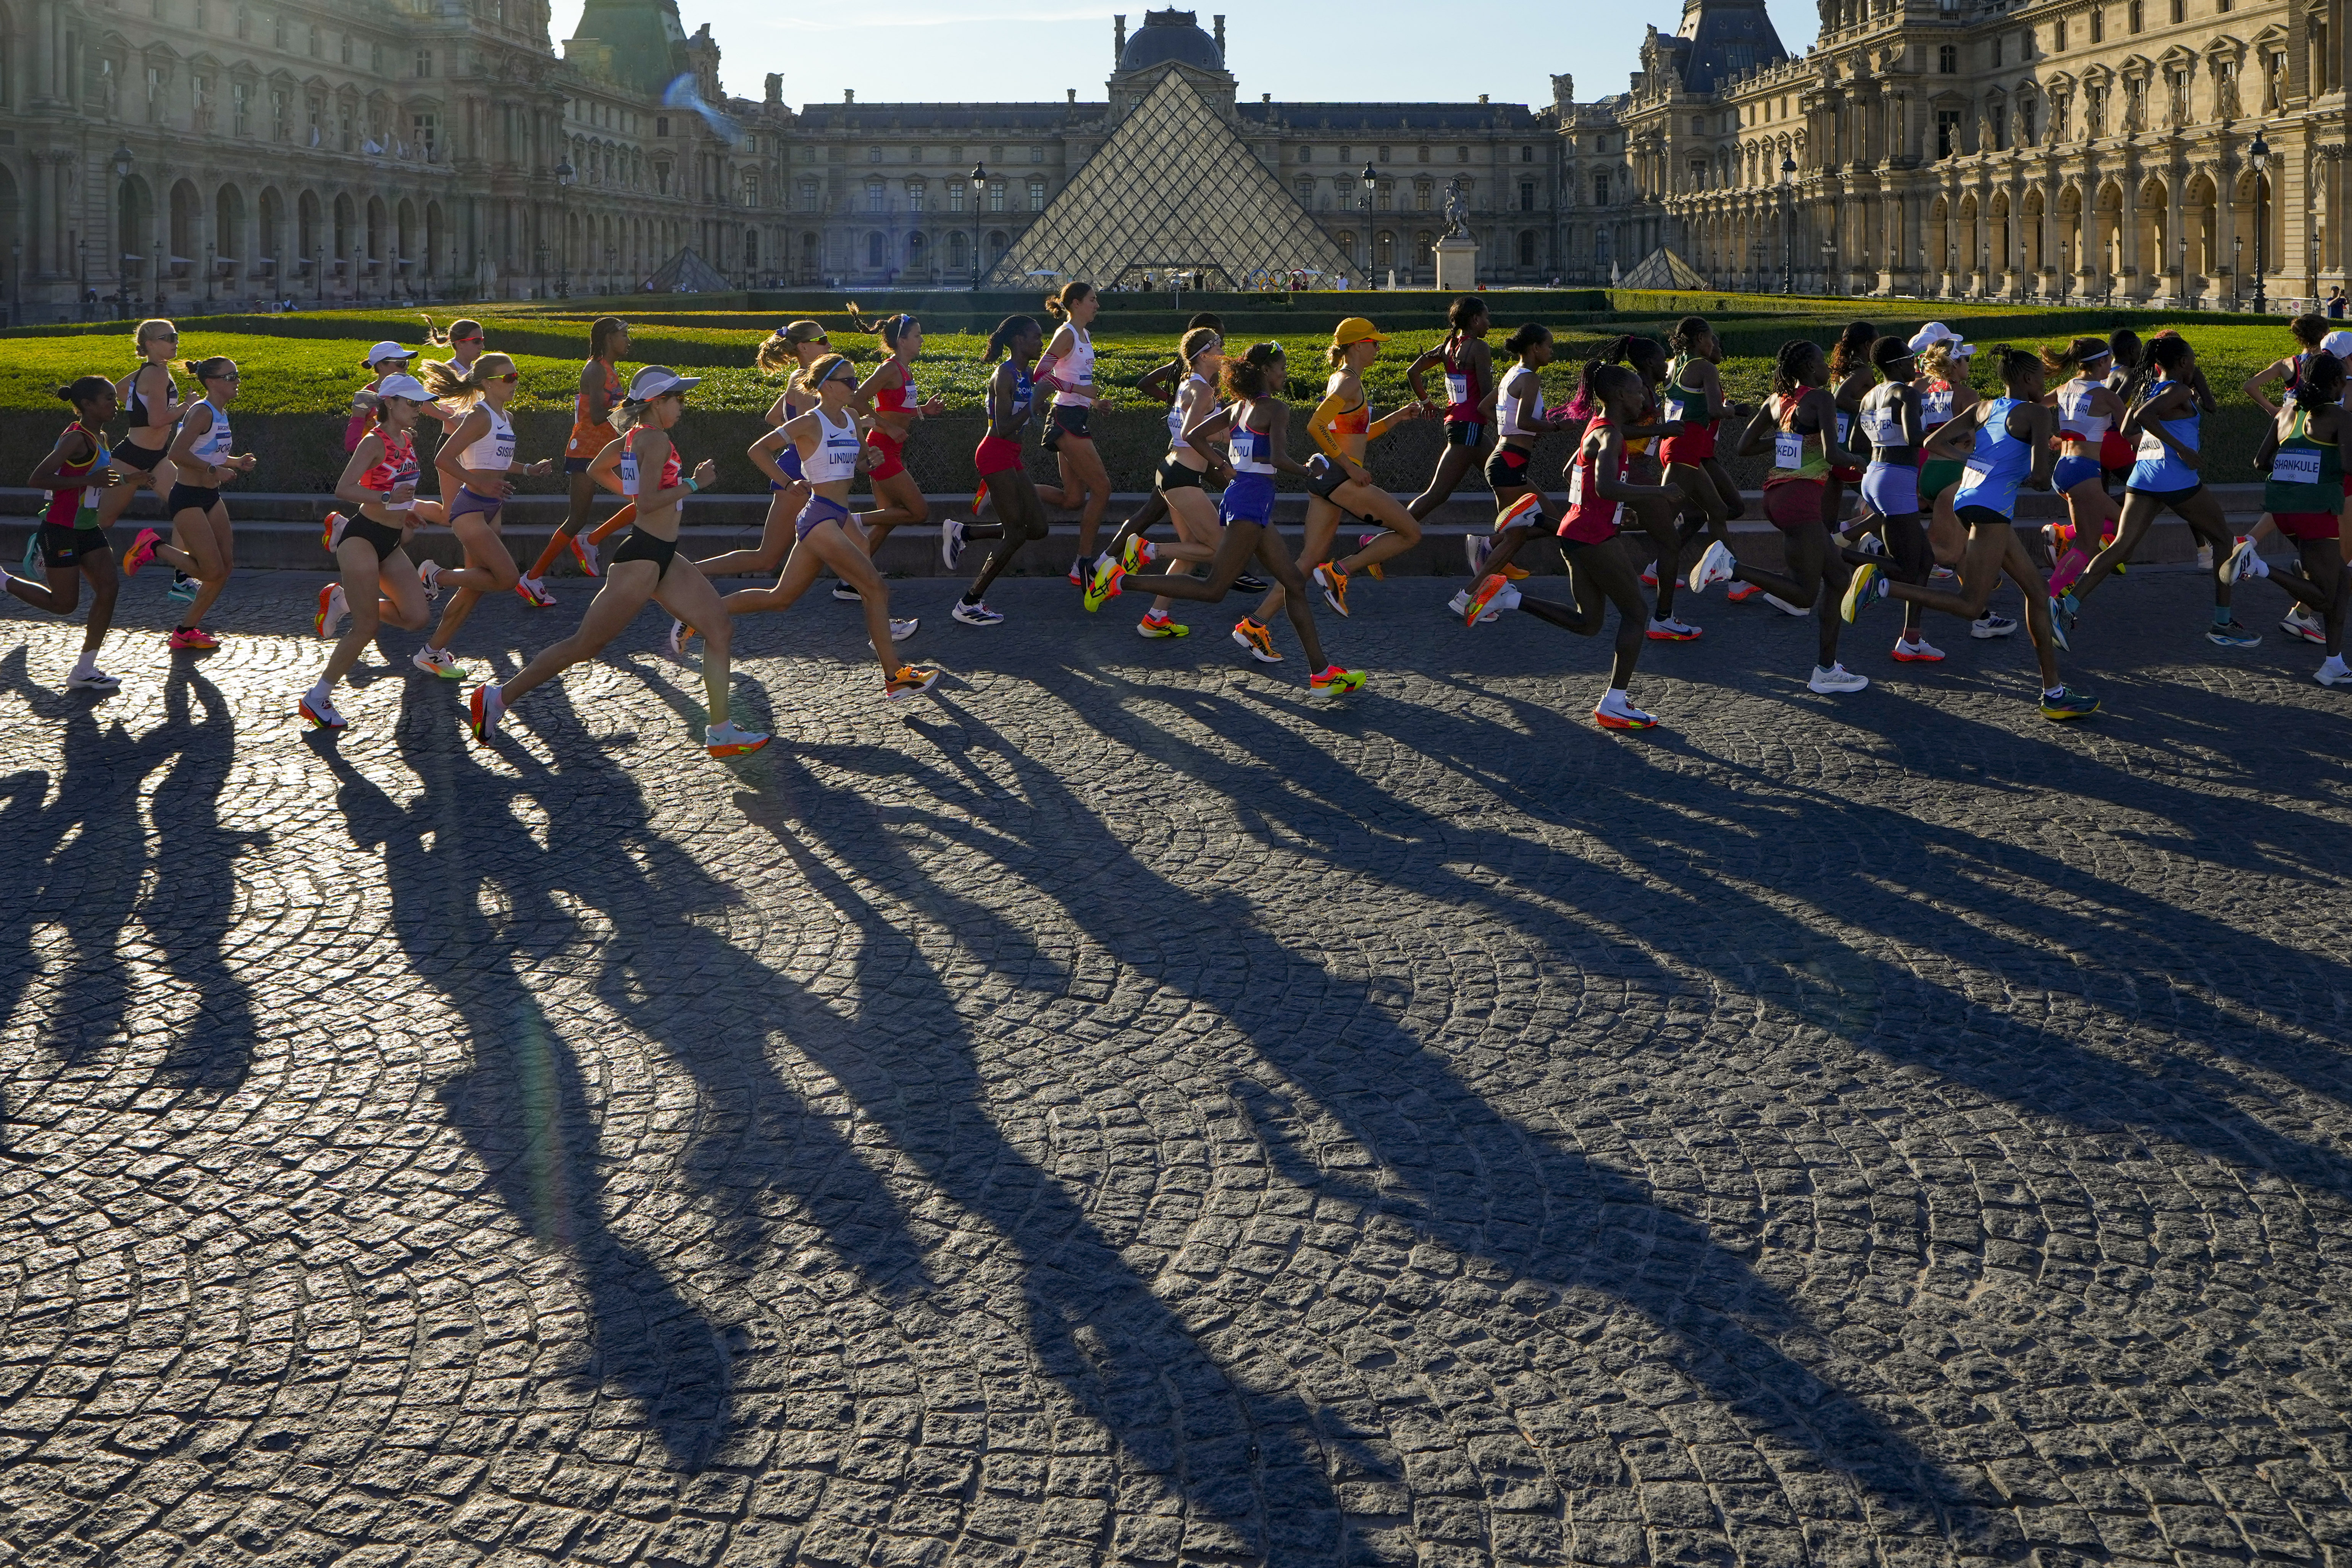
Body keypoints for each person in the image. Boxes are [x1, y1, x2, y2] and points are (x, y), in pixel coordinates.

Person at [468, 367, 782, 757]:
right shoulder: (657, 441)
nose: (683, 407)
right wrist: (696, 484)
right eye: (677, 399)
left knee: (719, 628)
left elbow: (600, 469)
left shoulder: (635, 436)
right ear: (656, 403)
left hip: (663, 555)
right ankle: (497, 698)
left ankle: (720, 732)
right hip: (643, 557)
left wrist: (633, 491)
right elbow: (647, 503)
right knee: (583, 645)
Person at [1087, 342, 1366, 696]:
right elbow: (1279, 459)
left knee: (1294, 584)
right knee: (1214, 589)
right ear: (1265, 370)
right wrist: (1308, 468)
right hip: (1252, 501)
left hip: (1244, 497)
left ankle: (1322, 674)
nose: (1285, 373)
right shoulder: (1276, 409)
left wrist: (1221, 464)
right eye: (1281, 367)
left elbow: (1192, 435)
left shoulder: (1238, 408)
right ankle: (1120, 582)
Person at [1844, 344, 2099, 721]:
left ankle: (2054, 693)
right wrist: (2028, 476)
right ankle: (1881, 586)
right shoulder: (2035, 414)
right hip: (1991, 509)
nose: (2044, 384)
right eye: (2042, 378)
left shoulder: (1985, 407)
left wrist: (1976, 462)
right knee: (1968, 604)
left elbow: (1932, 443)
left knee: (2037, 591)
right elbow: (2042, 477)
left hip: (1967, 499)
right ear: (2028, 379)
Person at [671, 355, 938, 701]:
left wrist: (868, 459)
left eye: (856, 381)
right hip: (820, 517)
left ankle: (695, 616)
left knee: (780, 599)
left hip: (841, 516)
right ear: (827, 385)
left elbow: (856, 461)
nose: (856, 388)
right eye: (850, 382)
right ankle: (894, 676)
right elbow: (758, 450)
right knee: (876, 589)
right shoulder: (810, 422)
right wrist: (787, 481)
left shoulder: (853, 417)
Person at [1464, 360, 1677, 730]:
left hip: (1577, 532)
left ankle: (1507, 598)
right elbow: (1606, 486)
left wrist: (1612, 511)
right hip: (1593, 537)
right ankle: (1614, 703)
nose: (1643, 395)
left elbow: (1572, 475)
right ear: (1618, 395)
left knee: (1587, 623)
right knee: (1635, 614)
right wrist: (1660, 492)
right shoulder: (1609, 435)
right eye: (1636, 390)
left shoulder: (1597, 429)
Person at [1681, 340, 1872, 694]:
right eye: (1819, 363)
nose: (1825, 369)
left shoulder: (1776, 401)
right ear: (1806, 367)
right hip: (1800, 499)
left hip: (1778, 495)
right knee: (1803, 595)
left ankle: (1827, 670)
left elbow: (1743, 447)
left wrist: (1785, 439)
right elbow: (1832, 454)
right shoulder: (1820, 398)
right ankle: (1731, 567)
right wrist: (1860, 461)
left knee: (1838, 577)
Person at [2059, 333, 2252, 646]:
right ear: (2181, 362)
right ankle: (2222, 623)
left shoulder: (2152, 388)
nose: (2194, 364)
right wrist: (2180, 449)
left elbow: (2128, 428)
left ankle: (2067, 606)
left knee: (2121, 546)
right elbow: (2143, 418)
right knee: (2222, 539)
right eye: (2191, 360)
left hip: (2143, 477)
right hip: (2175, 477)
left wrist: (2195, 374)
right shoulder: (2175, 390)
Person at [661, 321, 834, 656]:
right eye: (822, 340)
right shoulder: (805, 381)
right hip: (799, 475)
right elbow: (808, 424)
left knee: (768, 559)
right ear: (803, 348)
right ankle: (686, 579)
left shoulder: (801, 380)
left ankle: (687, 580)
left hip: (807, 472)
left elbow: (774, 417)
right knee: (772, 557)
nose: (828, 344)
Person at [1239, 316, 1426, 623]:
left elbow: (1353, 434)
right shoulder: (1348, 381)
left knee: (1306, 561)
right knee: (1411, 533)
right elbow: (1316, 425)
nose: (1378, 348)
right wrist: (1350, 469)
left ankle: (1255, 625)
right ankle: (1340, 570)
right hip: (1340, 478)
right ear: (1356, 346)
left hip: (1328, 478)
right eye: (1373, 342)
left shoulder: (1343, 378)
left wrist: (1396, 418)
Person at [301, 373, 438, 730]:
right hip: (362, 538)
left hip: (390, 541)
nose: (418, 409)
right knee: (366, 627)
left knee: (417, 618)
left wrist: (404, 512)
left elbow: (399, 487)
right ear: (389, 403)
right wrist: (388, 500)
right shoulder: (373, 442)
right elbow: (344, 488)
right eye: (412, 403)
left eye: (420, 402)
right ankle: (317, 698)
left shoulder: (407, 439)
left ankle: (343, 601)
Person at [408, 353, 555, 680]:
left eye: (516, 375)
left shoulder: (507, 417)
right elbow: (443, 459)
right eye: (508, 378)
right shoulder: (478, 416)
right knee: (505, 579)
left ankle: (432, 652)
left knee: (473, 588)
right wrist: (480, 483)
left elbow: (499, 463)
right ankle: (436, 575)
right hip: (471, 507)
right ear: (488, 383)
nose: (515, 382)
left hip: (491, 509)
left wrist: (529, 470)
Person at [121, 355, 256, 652]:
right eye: (230, 377)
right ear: (211, 382)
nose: (237, 382)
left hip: (210, 497)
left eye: (237, 375)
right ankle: (153, 546)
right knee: (210, 572)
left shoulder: (219, 412)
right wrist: (213, 471)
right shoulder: (202, 412)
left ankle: (185, 631)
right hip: (188, 497)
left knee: (225, 568)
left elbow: (209, 454)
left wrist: (235, 462)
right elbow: (177, 453)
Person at [1101, 324, 1228, 636]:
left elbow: (1190, 431)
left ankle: (1155, 617)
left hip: (1171, 471)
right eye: (1218, 348)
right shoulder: (1203, 390)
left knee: (1190, 550)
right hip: (1183, 477)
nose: (1224, 353)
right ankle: (1148, 551)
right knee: (1221, 551)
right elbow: (1191, 434)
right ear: (1203, 355)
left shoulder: (1189, 384)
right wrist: (1223, 457)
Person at [943, 316, 1067, 626]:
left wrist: (1042, 405)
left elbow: (1027, 413)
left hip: (1011, 455)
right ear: (1018, 341)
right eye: (1036, 337)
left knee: (1037, 528)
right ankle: (970, 602)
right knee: (1014, 535)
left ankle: (965, 532)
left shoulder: (1026, 373)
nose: (1042, 342)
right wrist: (1034, 402)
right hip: (994, 453)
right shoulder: (1005, 375)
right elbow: (1000, 429)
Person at [2239, 348, 2352, 683]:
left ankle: (2333, 663)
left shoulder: (2287, 412)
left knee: (2342, 581)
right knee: (2323, 596)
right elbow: (2348, 467)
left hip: (2284, 509)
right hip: (2316, 511)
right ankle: (2258, 566)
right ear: (2335, 383)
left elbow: (2261, 462)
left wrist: (2299, 462)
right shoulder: (2340, 418)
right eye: (2343, 383)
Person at [7, 377, 127, 689]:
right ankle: (4, 580)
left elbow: (97, 477)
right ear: (87, 404)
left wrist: (130, 478)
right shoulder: (75, 438)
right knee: (64, 605)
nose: (115, 404)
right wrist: (91, 482)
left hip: (87, 527)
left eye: (115, 397)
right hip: (60, 527)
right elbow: (38, 479)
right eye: (108, 398)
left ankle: (84, 670)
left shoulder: (100, 435)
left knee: (109, 588)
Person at [1451, 323, 1571, 622]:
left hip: (1507, 460)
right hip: (1510, 463)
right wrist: (1556, 427)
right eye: (1548, 346)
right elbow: (1525, 420)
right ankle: (1468, 597)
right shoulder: (1529, 378)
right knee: (1518, 536)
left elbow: (1484, 406)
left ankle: (1488, 546)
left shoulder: (1512, 374)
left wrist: (1513, 430)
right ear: (1534, 348)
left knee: (1550, 520)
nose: (1551, 351)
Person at [517, 316, 632, 602]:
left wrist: (633, 409)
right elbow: (596, 416)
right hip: (586, 453)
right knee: (577, 518)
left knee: (641, 502)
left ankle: (590, 542)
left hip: (603, 452)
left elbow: (612, 416)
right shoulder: (595, 370)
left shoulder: (609, 369)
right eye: (624, 335)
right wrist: (632, 406)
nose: (628, 341)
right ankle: (532, 578)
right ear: (609, 338)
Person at [1851, 336, 1941, 662]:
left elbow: (1854, 442)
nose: (1913, 363)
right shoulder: (1907, 393)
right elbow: (1914, 438)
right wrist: (1950, 438)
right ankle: (1837, 555)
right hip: (1897, 479)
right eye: (1909, 358)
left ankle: (1911, 639)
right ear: (1898, 363)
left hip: (1874, 473)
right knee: (1906, 568)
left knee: (1924, 561)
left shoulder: (1868, 396)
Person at [1654, 316, 1756, 604]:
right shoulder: (1704, 366)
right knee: (1663, 522)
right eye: (1710, 337)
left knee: (1716, 511)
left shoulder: (1674, 365)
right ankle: (1662, 606)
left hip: (1673, 445)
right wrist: (1734, 410)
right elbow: (1713, 409)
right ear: (1700, 339)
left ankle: (1732, 579)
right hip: (1686, 449)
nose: (1713, 343)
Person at [844, 307, 948, 578]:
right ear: (902, 341)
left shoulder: (905, 370)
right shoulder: (889, 368)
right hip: (880, 448)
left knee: (888, 519)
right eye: (917, 335)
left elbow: (897, 409)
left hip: (891, 447)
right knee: (918, 512)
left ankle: (852, 580)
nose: (922, 340)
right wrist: (887, 427)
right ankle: (852, 520)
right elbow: (854, 399)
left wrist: (922, 410)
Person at [95, 321, 185, 605]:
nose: (174, 342)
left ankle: (183, 578)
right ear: (149, 344)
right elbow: (158, 419)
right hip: (131, 458)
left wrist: (143, 385)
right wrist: (188, 406)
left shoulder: (157, 371)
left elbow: (123, 389)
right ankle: (48, 541)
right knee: (102, 520)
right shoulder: (156, 374)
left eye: (176, 337)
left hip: (158, 457)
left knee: (186, 506)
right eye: (167, 338)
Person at [1035, 281, 1113, 582]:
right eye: (1093, 300)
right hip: (1065, 418)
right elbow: (1040, 374)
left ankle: (1008, 488)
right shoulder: (1067, 334)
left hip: (1075, 414)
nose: (1097, 305)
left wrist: (1095, 401)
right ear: (1077, 303)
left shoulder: (1084, 335)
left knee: (1073, 499)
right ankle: (1082, 563)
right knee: (1103, 488)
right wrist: (1078, 389)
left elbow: (1077, 377)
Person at [2040, 337, 2127, 597]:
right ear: (2101, 362)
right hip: (2084, 473)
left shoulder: (2064, 387)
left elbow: (2032, 409)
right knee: (2121, 525)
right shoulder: (2107, 396)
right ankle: (2050, 594)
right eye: (2109, 361)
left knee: (2088, 529)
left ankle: (2061, 534)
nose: (2111, 366)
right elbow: (2131, 433)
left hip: (2063, 471)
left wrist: (2051, 438)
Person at [1403, 297, 1494, 521]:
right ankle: (1383, 539)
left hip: (1458, 424)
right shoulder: (1479, 348)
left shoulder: (1448, 346)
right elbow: (1488, 396)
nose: (1489, 323)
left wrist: (1426, 402)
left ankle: (1512, 539)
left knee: (1507, 481)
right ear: (1475, 320)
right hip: (1469, 427)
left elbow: (1413, 372)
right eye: (1486, 318)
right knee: (1438, 494)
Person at [1824, 320, 1877, 536]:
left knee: (1827, 524)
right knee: (1889, 506)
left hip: (1836, 450)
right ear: (1867, 345)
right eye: (1876, 342)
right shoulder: (1862, 371)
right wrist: (1868, 412)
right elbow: (1839, 398)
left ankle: (1832, 550)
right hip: (1855, 452)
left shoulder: (1841, 370)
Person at [345, 341, 418, 453]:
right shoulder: (365, 397)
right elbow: (352, 445)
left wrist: (406, 433)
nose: (406, 368)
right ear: (381, 366)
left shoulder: (403, 393)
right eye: (400, 363)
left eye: (407, 363)